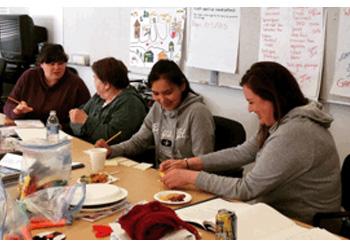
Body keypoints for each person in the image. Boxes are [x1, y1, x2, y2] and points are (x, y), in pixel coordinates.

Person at [160, 61, 341, 224]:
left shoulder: (295, 132)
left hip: (303, 224)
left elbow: (247, 188)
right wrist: (188, 163)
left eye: (252, 102)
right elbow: (243, 152)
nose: (249, 109)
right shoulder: (283, 121)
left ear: (273, 98)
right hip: (276, 212)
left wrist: (189, 176)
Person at [95, 59, 215, 166]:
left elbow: (203, 161)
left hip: (188, 179)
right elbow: (138, 142)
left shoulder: (198, 112)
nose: (162, 100)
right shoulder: (157, 107)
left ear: (182, 85)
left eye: (168, 92)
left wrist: (183, 169)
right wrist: (111, 150)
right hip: (161, 176)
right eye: (156, 94)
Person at [3, 43, 91, 132]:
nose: (57, 67)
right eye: (52, 64)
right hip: (27, 130)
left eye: (61, 63)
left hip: (57, 134)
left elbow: (86, 117)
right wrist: (16, 111)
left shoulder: (76, 83)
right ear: (41, 64)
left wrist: (65, 127)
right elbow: (9, 104)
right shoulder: (29, 76)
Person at [69, 57, 147, 144]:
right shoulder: (99, 96)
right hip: (89, 148)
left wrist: (85, 122)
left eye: (95, 78)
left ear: (106, 84)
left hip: (116, 155)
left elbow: (112, 138)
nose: (94, 81)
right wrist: (81, 123)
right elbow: (74, 121)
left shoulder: (131, 103)